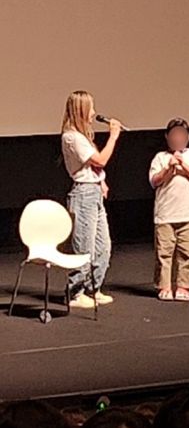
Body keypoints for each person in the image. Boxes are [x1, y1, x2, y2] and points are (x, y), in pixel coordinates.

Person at [61, 90, 122, 309]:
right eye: (91, 108)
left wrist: (101, 181)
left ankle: (93, 288)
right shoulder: (72, 137)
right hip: (83, 195)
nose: (94, 112)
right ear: (81, 110)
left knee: (103, 246)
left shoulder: (83, 137)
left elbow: (94, 168)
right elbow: (100, 160)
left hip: (94, 192)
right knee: (84, 247)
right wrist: (113, 136)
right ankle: (75, 293)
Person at [149, 118, 189, 302]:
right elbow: (154, 181)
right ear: (167, 136)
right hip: (165, 214)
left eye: (182, 134)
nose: (178, 138)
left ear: (188, 137)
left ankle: (184, 287)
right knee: (164, 253)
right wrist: (169, 167)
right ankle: (164, 287)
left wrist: (183, 165)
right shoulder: (160, 157)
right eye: (174, 134)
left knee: (187, 253)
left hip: (188, 214)